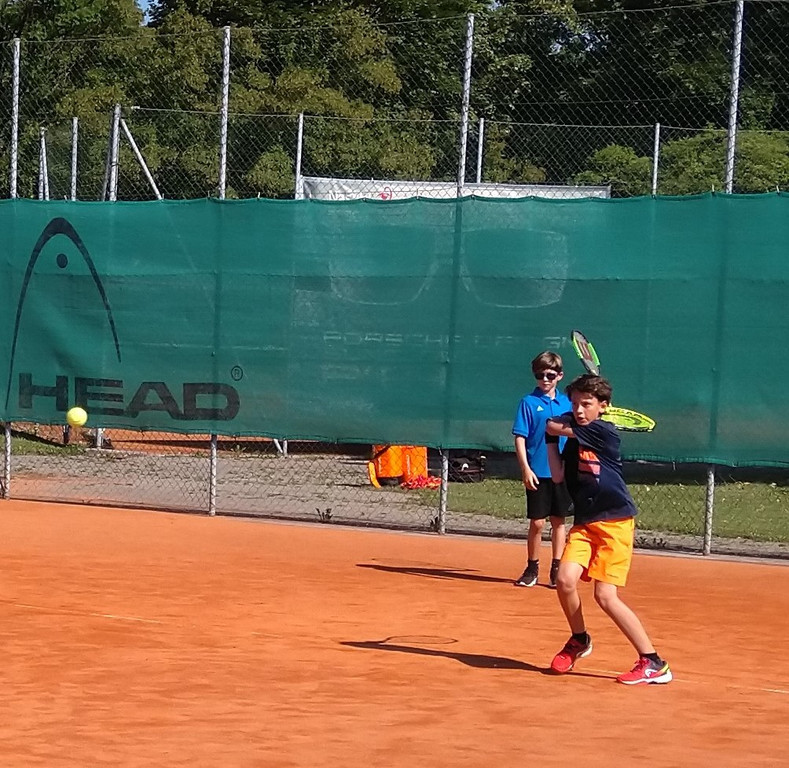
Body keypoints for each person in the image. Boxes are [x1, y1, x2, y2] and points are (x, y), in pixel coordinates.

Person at [545, 373, 672, 685]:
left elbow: (554, 424)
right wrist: (550, 440)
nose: (579, 410)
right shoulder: (574, 438)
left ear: (603, 406)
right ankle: (579, 639)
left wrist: (552, 427)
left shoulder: (603, 431)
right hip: (585, 523)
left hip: (614, 523)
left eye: (586, 404)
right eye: (575, 403)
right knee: (564, 580)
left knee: (605, 596)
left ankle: (653, 662)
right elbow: (558, 475)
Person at [512, 351, 573, 589]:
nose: (545, 380)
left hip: (562, 472)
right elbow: (520, 437)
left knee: (559, 521)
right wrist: (525, 469)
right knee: (537, 523)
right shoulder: (528, 402)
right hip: (537, 471)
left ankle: (556, 569)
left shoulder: (568, 403)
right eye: (539, 375)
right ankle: (532, 568)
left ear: (559, 376)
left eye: (550, 375)